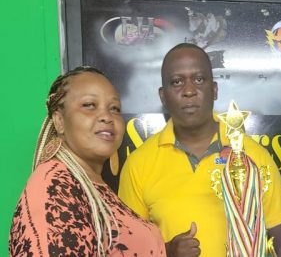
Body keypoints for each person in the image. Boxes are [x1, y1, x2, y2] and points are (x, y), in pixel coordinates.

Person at [119, 43, 281, 257]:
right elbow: (128, 249)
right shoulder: (138, 164)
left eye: (199, 79)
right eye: (177, 82)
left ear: (215, 89)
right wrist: (166, 252)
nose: (189, 91)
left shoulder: (253, 156)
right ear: (163, 96)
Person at [9, 66, 166, 257]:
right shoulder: (55, 186)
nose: (106, 117)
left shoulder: (91, 186)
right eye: (89, 105)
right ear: (59, 121)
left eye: (114, 108)